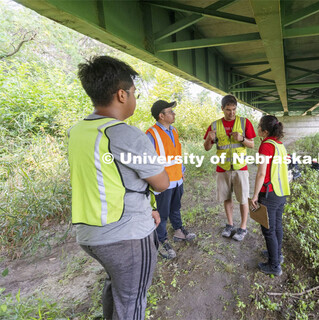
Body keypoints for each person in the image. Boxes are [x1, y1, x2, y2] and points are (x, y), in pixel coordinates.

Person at [67, 56, 170, 319]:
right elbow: (161, 182)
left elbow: (109, 178)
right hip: (126, 236)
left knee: (118, 290)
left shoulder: (77, 131)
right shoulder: (126, 135)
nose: (135, 98)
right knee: (132, 302)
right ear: (122, 95)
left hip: (90, 234)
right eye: (134, 92)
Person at [146, 100, 196, 259]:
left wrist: (182, 171)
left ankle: (179, 230)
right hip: (163, 182)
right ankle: (162, 241)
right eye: (170, 111)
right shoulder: (151, 134)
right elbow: (148, 162)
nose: (174, 114)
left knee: (176, 207)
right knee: (161, 212)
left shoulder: (173, 131)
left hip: (177, 180)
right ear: (161, 115)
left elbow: (176, 155)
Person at [203, 95, 256, 241]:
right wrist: (209, 138)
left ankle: (243, 227)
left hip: (240, 167)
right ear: (222, 109)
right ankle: (230, 224)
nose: (231, 113)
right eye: (228, 110)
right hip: (223, 168)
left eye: (233, 109)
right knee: (227, 197)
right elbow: (207, 148)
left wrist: (242, 139)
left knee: (243, 198)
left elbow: (252, 144)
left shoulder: (244, 123)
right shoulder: (214, 126)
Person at [251, 115, 290, 276]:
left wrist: (254, 196)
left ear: (264, 131)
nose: (257, 128)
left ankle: (274, 266)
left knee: (268, 230)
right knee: (277, 226)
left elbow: (261, 174)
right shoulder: (279, 145)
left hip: (269, 193)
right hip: (281, 192)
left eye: (259, 126)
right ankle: (277, 255)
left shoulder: (266, 146)